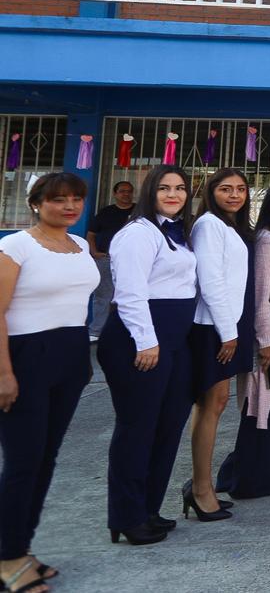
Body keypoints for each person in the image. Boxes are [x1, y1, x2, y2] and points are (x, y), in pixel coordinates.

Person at [0, 173, 98, 591]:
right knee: (23, 461)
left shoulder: (80, 245)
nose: (70, 206)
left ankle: (21, 547)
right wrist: (4, 373)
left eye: (76, 198)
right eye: (59, 199)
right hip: (26, 358)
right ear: (36, 203)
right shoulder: (16, 246)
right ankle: (7, 558)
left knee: (46, 457)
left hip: (71, 355)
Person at [98, 165, 198, 545]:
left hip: (175, 339)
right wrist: (146, 341)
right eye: (164, 188)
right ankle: (126, 516)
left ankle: (149, 508)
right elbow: (130, 292)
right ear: (150, 192)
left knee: (168, 425)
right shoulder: (137, 233)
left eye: (180, 188)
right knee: (137, 428)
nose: (173, 194)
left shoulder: (177, 232)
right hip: (140, 339)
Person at [216, 181, 270, 499]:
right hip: (269, 337)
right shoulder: (267, 240)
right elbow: (260, 294)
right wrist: (267, 340)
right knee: (261, 408)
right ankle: (248, 481)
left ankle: (242, 473)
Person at [187, 168, 255, 522]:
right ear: (211, 192)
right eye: (226, 189)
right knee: (210, 404)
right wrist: (228, 332)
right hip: (213, 325)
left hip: (228, 323)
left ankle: (202, 484)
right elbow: (210, 279)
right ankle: (200, 489)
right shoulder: (208, 225)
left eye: (241, 189)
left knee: (216, 402)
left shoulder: (229, 226)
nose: (234, 195)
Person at [86, 180, 134, 341]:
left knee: (131, 295)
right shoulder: (105, 212)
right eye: (122, 191)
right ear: (115, 194)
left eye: (129, 191)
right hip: (106, 259)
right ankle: (96, 331)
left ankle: (128, 331)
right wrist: (94, 252)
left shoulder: (139, 212)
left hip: (132, 261)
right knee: (103, 296)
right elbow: (91, 234)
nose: (126, 194)